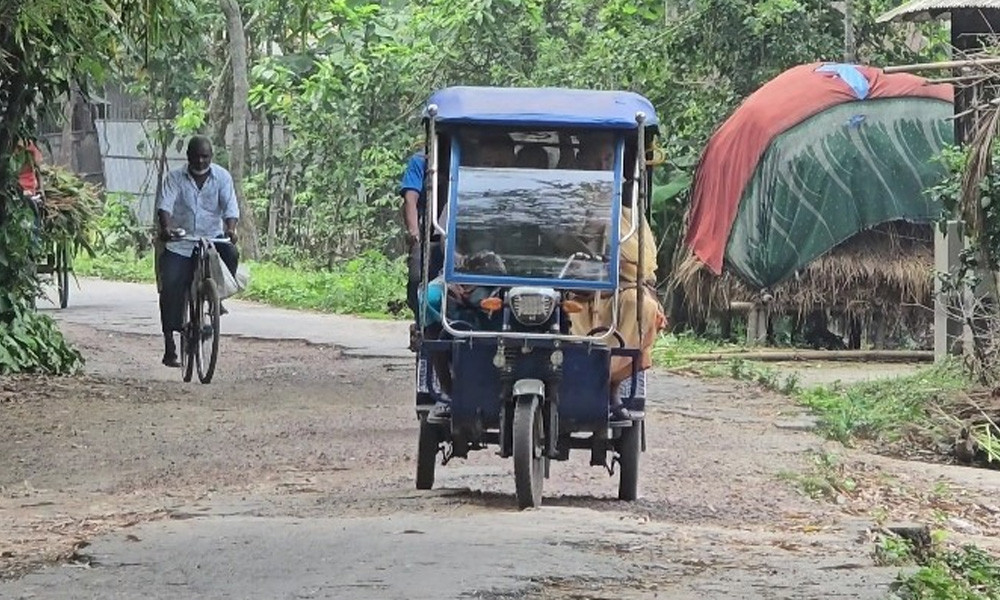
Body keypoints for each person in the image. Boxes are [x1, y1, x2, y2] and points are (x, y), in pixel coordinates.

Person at [156, 135, 240, 367]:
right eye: (197, 156)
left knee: (231, 254)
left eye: (205, 157)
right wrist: (166, 228)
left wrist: (231, 229)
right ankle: (170, 344)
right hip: (182, 241)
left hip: (212, 239)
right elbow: (165, 206)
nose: (201, 161)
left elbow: (230, 207)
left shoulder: (222, 177)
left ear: (211, 157)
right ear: (188, 157)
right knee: (170, 284)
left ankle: (216, 296)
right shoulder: (175, 178)